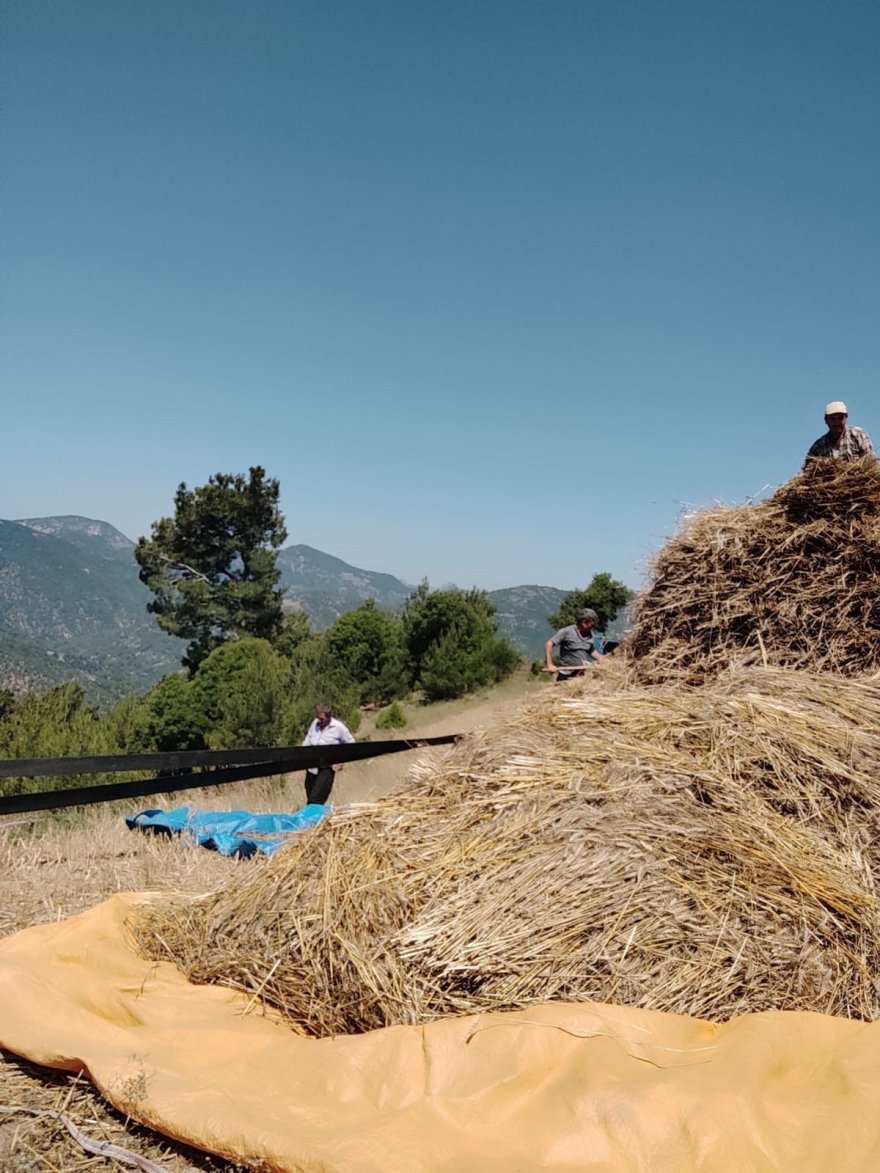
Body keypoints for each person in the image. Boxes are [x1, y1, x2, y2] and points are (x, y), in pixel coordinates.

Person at [301, 704, 355, 805]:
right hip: (311, 766)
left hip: (327, 767)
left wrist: (342, 761)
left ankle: (315, 814)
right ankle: (318, 815)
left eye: (322, 719)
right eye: (318, 718)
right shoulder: (315, 723)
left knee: (316, 799)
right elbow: (308, 738)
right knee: (310, 796)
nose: (319, 721)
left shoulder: (338, 727)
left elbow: (351, 744)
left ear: (329, 717)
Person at [805, 401, 874, 464]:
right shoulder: (818, 446)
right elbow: (806, 470)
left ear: (846, 418)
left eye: (840, 418)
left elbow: (871, 461)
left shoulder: (858, 435)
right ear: (826, 421)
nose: (836, 423)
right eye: (832, 419)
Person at [544, 608, 603, 682]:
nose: (592, 628)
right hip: (566, 674)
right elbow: (549, 644)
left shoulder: (591, 635)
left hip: (581, 674)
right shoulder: (567, 631)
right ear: (583, 622)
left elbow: (590, 650)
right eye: (591, 625)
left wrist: (602, 660)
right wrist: (550, 664)